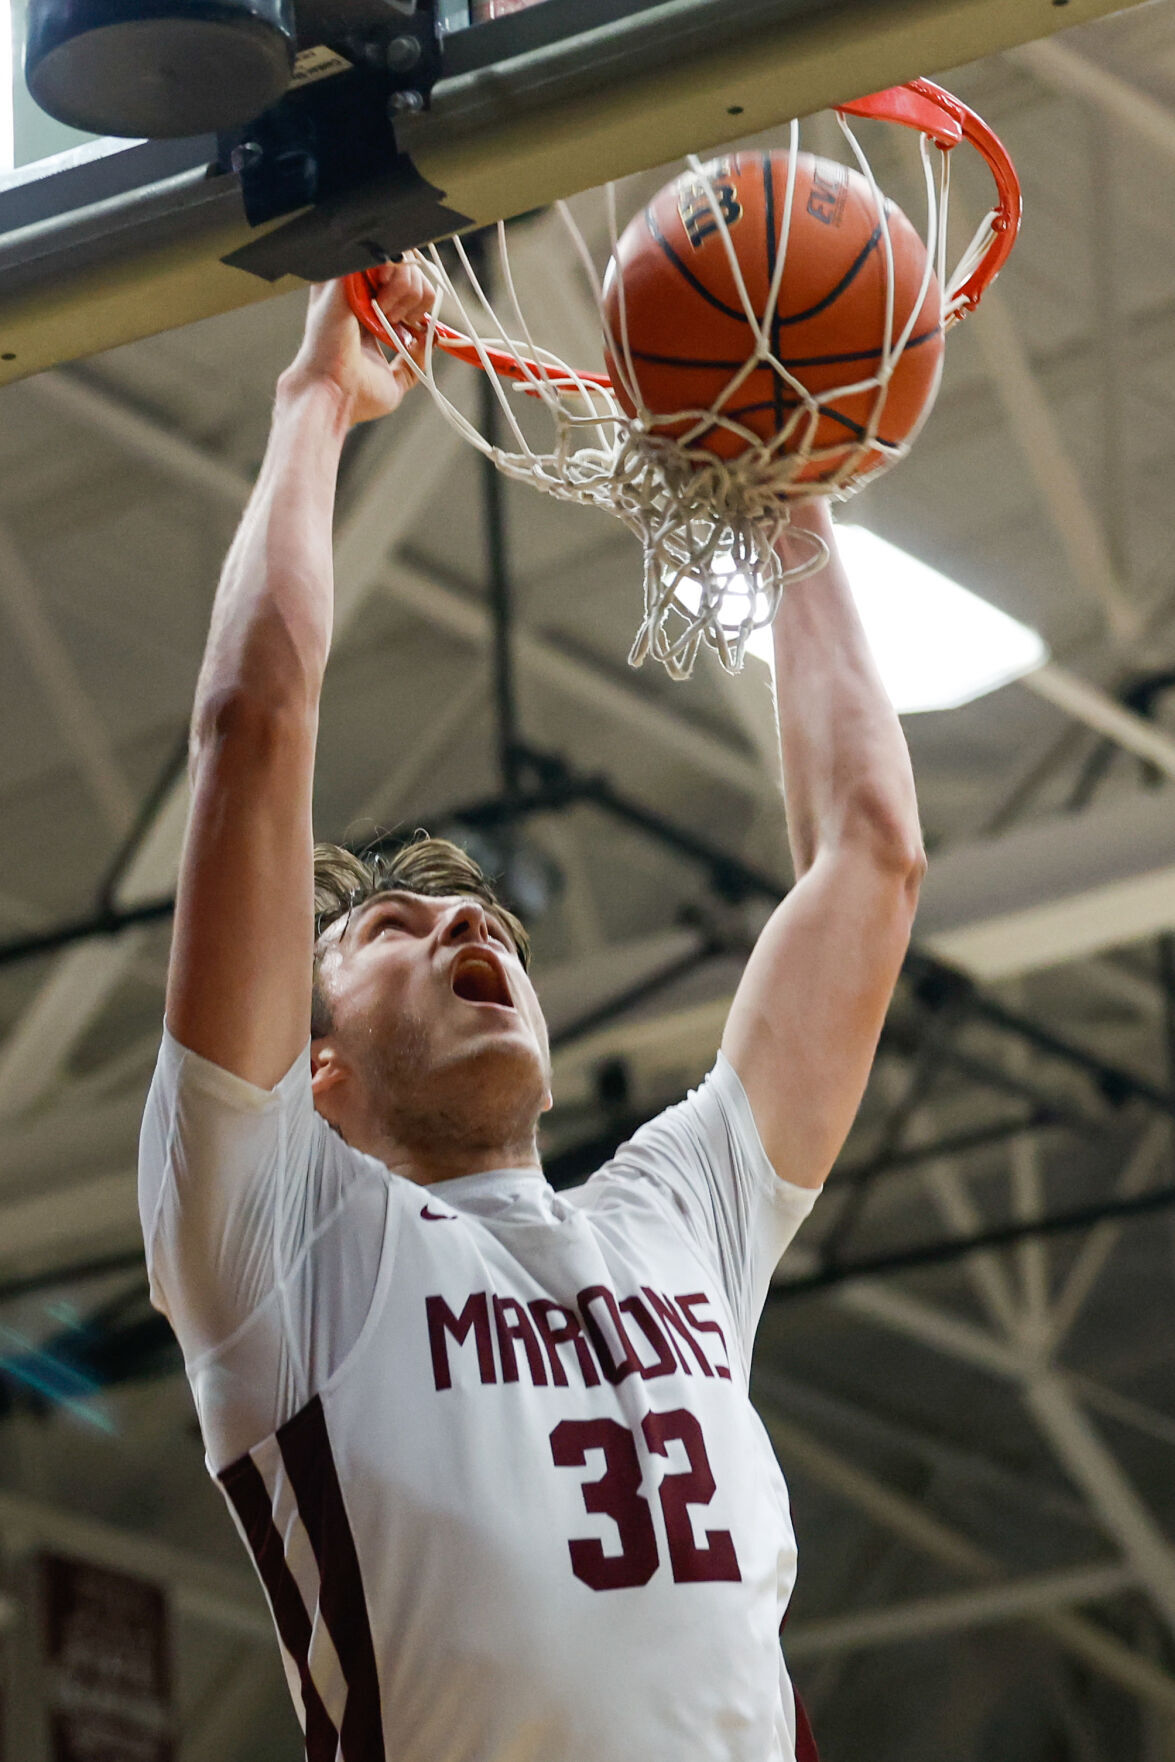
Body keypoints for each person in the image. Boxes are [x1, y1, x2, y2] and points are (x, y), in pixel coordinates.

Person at [138, 259, 925, 1762]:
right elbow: (252, 730)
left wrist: (789, 478)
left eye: (477, 912)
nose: (463, 917)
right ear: (314, 1078)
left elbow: (872, 855)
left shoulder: (673, 1217)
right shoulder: (282, 1238)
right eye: (387, 926)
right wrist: (317, 401)